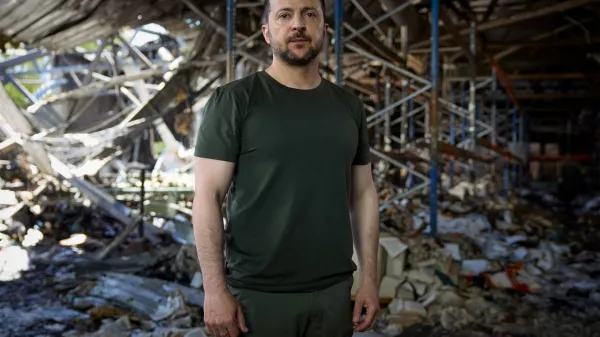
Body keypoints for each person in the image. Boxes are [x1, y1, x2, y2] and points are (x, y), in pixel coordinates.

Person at [192, 0, 380, 335]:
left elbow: (364, 194)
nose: (298, 24)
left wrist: (369, 279)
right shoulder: (234, 101)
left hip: (334, 293)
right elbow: (207, 197)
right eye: (284, 15)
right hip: (257, 296)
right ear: (267, 32)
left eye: (310, 14)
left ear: (324, 30)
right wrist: (214, 290)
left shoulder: (349, 107)